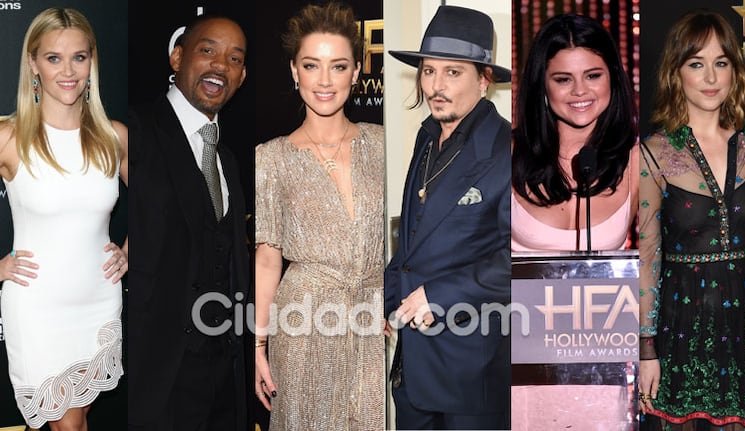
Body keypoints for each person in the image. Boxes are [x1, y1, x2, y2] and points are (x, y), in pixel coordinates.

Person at [253, 2, 385, 430]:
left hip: (373, 320)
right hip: (303, 325)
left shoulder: (387, 144)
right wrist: (259, 344)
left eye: (338, 66)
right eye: (312, 65)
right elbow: (268, 258)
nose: (325, 81)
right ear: (294, 71)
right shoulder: (270, 158)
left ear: (357, 70)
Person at [638, 9, 745, 430]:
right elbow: (648, 256)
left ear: (735, 70)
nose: (710, 77)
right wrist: (646, 350)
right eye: (697, 63)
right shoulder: (652, 153)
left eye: (721, 62)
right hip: (682, 325)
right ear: (677, 73)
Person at [0, 7, 128, 430]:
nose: (68, 71)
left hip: (98, 303)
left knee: (66, 420)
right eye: (54, 58)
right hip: (38, 307)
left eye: (79, 56)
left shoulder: (114, 137)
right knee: (68, 423)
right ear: (33, 63)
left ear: (92, 61)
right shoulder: (9, 137)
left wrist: (132, 249)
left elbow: (168, 204)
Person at [385, 5, 511, 430]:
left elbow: (520, 261)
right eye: (428, 71)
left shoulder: (509, 150)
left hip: (471, 374)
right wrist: (390, 303)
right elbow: (411, 243)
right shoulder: (425, 136)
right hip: (413, 370)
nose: (435, 86)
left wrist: (436, 294)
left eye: (453, 73)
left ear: (484, 78)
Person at [127, 13, 249, 431]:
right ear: (177, 58)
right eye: (208, 50)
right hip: (157, 377)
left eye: (234, 59)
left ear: (243, 75)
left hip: (224, 382)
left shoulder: (228, 161)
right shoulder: (135, 131)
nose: (220, 65)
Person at [511, 13, 639, 252]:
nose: (580, 91)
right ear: (543, 85)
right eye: (563, 80)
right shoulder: (506, 154)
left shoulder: (636, 160)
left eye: (592, 76)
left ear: (612, 77)